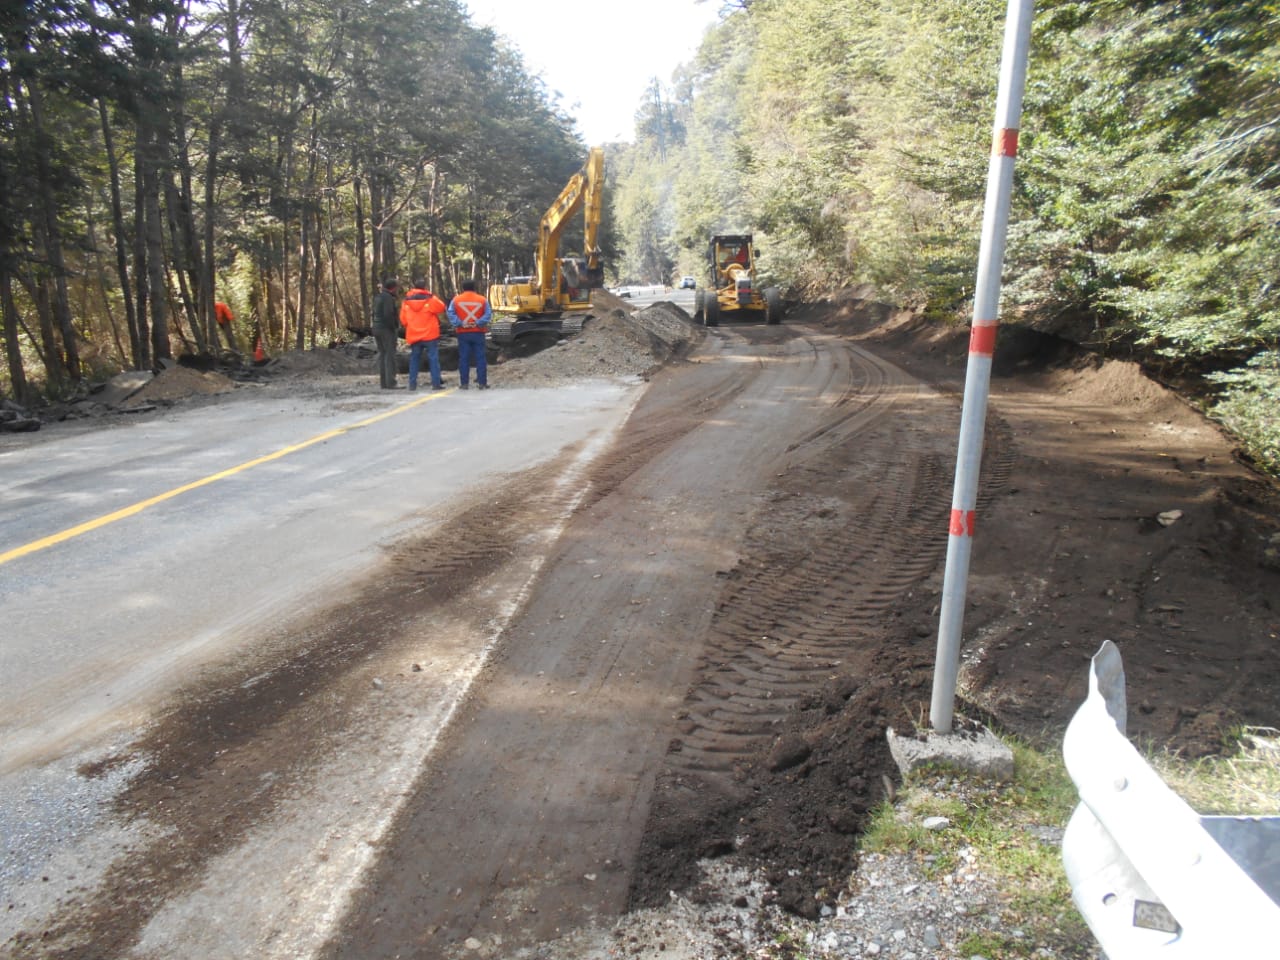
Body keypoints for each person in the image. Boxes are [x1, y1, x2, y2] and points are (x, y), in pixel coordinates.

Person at [400, 277, 447, 391]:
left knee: (414, 359)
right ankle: (436, 384)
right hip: (430, 335)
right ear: (425, 287)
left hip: (414, 335)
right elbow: (442, 307)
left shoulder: (406, 302)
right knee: (433, 359)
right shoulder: (430, 299)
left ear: (414, 287)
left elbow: (403, 320)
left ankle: (412, 384)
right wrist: (432, 295)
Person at [447, 279, 491, 390]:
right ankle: (482, 383)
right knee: (480, 358)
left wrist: (461, 323)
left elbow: (450, 313)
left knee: (464, 358)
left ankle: (464, 383)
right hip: (478, 332)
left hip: (463, 333)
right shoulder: (482, 300)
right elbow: (488, 314)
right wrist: (477, 323)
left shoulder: (456, 300)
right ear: (474, 287)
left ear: (463, 288)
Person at [371, 277, 400, 389]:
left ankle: (384, 383)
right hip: (386, 329)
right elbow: (388, 314)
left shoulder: (378, 296)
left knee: (383, 354)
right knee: (389, 355)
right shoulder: (388, 298)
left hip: (376, 327)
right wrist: (393, 327)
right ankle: (391, 382)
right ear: (393, 288)